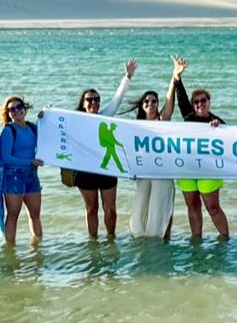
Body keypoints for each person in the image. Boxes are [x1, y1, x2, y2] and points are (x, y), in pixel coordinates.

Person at [72, 60, 138, 240]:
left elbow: (117, 100)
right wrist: (44, 116)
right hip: (85, 171)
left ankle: (111, 239)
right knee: (91, 209)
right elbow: (56, 128)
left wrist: (127, 77)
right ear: (83, 103)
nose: (93, 102)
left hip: (106, 168)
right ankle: (93, 243)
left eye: (96, 99)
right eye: (89, 100)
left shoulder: (105, 117)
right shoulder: (75, 120)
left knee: (110, 208)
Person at [173, 60, 231, 240]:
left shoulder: (217, 121)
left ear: (209, 102)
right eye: (196, 102)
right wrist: (177, 76)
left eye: (203, 100)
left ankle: (225, 240)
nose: (200, 104)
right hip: (188, 168)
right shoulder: (188, 117)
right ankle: (196, 241)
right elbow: (181, 97)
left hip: (209, 169)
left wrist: (219, 128)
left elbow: (231, 141)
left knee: (213, 207)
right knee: (192, 206)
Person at [125, 56, 182, 239]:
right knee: (139, 212)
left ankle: (164, 242)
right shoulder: (136, 127)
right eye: (147, 101)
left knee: (162, 208)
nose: (150, 104)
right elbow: (130, 152)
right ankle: (142, 246)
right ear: (142, 106)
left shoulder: (162, 120)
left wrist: (175, 76)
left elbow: (170, 101)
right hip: (143, 173)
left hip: (162, 172)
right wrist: (131, 170)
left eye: (154, 101)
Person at [0, 95, 43, 244]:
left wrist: (44, 118)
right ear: (8, 113)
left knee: (35, 214)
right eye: (12, 109)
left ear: (25, 109)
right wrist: (30, 162)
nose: (16, 111)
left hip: (32, 176)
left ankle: (38, 248)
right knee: (13, 216)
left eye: (19, 107)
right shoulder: (9, 131)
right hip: (13, 177)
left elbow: (49, 133)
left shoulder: (32, 128)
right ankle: (10, 250)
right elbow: (6, 158)